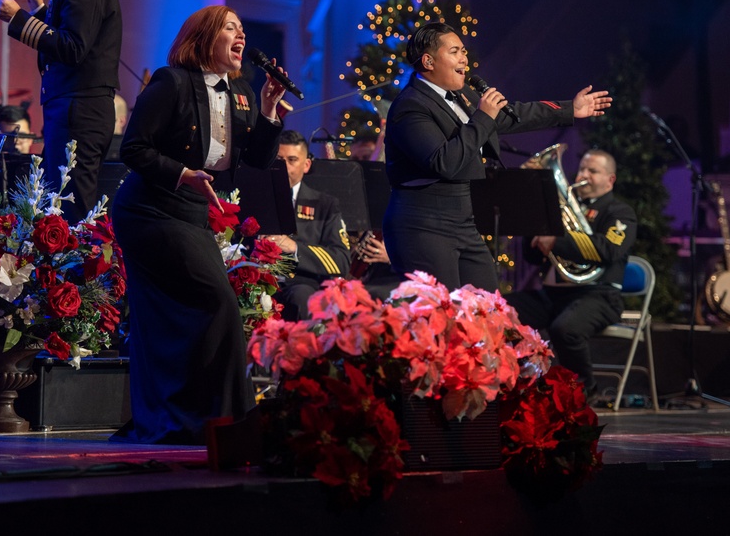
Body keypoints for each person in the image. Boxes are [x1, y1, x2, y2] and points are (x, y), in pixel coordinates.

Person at [110, 5, 286, 445]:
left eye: (243, 28)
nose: (240, 34)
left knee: (178, 318)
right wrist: (181, 173)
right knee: (218, 303)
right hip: (149, 209)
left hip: (191, 213)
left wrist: (268, 109)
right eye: (231, 27)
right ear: (206, 37)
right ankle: (227, 420)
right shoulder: (171, 83)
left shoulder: (243, 90)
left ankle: (193, 420)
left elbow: (259, 161)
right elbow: (132, 149)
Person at [382, 22, 612, 292]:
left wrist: (569, 110)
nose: (464, 59)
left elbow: (511, 116)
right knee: (443, 313)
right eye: (455, 51)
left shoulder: (461, 96)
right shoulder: (410, 106)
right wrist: (483, 116)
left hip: (463, 220)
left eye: (464, 51)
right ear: (429, 61)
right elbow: (444, 162)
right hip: (423, 224)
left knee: (488, 306)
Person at [0, 0, 122, 224]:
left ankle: (75, 275)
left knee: (69, 207)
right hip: (74, 110)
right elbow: (59, 48)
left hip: (80, 111)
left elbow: (73, 49)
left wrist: (19, 19)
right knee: (58, 203)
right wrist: (38, 9)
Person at [504, 149, 637, 395]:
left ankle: (583, 390)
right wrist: (534, 226)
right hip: (553, 294)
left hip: (598, 295)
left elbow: (608, 249)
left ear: (610, 179)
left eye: (593, 171)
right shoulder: (560, 208)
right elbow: (533, 258)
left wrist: (557, 241)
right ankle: (515, 384)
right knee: (502, 312)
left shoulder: (619, 212)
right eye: (582, 169)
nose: (583, 175)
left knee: (565, 329)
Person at [268, 131, 351, 320]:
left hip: (300, 284)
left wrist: (295, 248)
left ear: (306, 165)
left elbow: (341, 260)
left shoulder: (324, 205)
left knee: (302, 298)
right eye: (279, 159)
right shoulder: (254, 197)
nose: (284, 168)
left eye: (292, 160)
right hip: (257, 279)